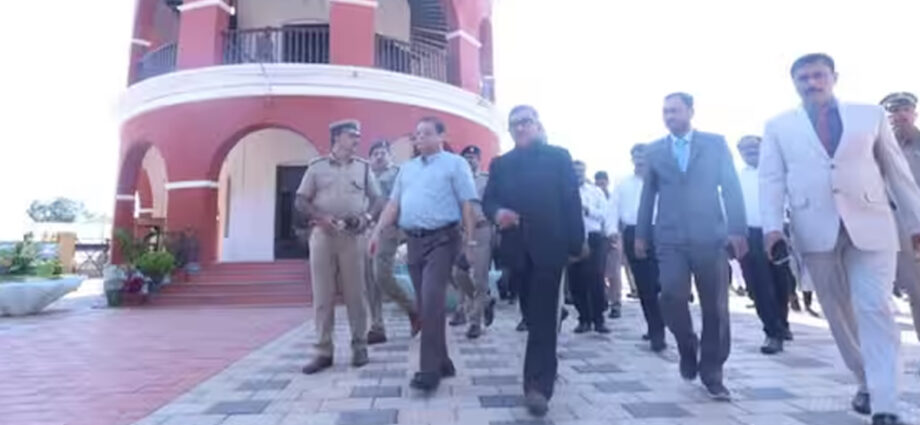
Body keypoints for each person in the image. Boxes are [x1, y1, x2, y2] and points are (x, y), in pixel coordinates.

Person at [760, 53, 920, 425]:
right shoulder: (778, 126)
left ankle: (885, 403)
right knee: (838, 312)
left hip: (872, 224)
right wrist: (772, 228)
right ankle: (865, 379)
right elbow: (771, 179)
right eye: (803, 78)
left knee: (874, 307)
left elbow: (897, 172)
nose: (812, 83)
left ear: (834, 77)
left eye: (818, 75)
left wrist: (916, 223)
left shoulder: (869, 116)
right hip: (814, 230)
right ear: (794, 83)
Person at [635, 92, 747, 401]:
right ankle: (687, 345)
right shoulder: (655, 150)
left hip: (710, 236)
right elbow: (648, 195)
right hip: (670, 238)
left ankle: (712, 371)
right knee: (670, 295)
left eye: (675, 110)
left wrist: (737, 230)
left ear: (690, 112)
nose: (669, 116)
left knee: (715, 307)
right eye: (665, 112)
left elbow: (731, 187)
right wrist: (641, 234)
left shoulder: (714, 144)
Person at [482, 105, 584, 417]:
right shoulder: (501, 164)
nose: (521, 128)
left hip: (550, 247)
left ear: (538, 125)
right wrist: (498, 213)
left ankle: (538, 386)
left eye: (526, 122)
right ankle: (543, 365)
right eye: (514, 124)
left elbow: (571, 201)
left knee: (543, 317)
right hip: (516, 252)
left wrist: (576, 242)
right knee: (530, 313)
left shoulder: (558, 157)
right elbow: (489, 201)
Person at [368, 117, 478, 392]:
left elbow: (467, 204)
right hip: (414, 241)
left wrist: (470, 242)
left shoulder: (455, 164)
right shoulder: (407, 169)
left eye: (427, 133)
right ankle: (443, 362)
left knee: (430, 302)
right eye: (417, 134)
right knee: (426, 303)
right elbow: (393, 204)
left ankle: (429, 370)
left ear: (441, 136)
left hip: (443, 240)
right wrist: (377, 231)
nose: (420, 138)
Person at [298, 119, 381, 375]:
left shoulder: (363, 168)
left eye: (358, 136)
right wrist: (320, 217)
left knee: (356, 294)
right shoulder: (317, 167)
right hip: (323, 236)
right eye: (351, 135)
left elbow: (378, 199)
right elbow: (301, 200)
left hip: (353, 237)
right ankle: (323, 351)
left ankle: (360, 347)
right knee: (323, 296)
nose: (357, 140)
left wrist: (366, 218)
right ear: (336, 138)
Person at [735, 135, 796, 355]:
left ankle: (782, 323)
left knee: (781, 282)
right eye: (744, 149)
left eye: (754, 147)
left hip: (776, 232)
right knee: (758, 286)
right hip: (749, 235)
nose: (750, 152)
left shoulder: (777, 172)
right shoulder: (737, 178)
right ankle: (772, 332)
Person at [364, 140, 420, 345]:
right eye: (375, 153)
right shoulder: (364, 174)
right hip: (364, 230)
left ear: (389, 155)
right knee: (369, 280)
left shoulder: (398, 173)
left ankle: (412, 309)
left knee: (381, 275)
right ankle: (376, 326)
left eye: (383, 153)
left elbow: (404, 200)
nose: (379, 156)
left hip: (387, 229)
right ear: (370, 158)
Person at [616, 143, 667, 351]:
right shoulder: (623, 184)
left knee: (661, 284)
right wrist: (611, 231)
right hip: (633, 233)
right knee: (645, 286)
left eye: (644, 156)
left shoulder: (662, 181)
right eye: (636, 156)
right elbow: (614, 208)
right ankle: (655, 330)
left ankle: (662, 321)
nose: (640, 159)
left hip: (660, 232)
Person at [882, 92, 920, 341]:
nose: (900, 115)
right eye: (894, 111)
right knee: (917, 293)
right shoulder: (879, 150)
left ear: (914, 113)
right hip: (901, 232)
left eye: (905, 109)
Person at [450, 145, 497, 339]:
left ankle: (475, 321)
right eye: (466, 157)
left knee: (479, 277)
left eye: (473, 157)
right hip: (461, 232)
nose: (470, 160)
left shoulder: (487, 180)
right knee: (458, 273)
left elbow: (494, 203)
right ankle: (485, 302)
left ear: (479, 160)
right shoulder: (456, 181)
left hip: (482, 230)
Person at [568, 161, 612, 334]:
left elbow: (605, 213)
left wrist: (588, 210)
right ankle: (583, 318)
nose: (578, 174)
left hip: (595, 237)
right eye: (574, 171)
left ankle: (599, 319)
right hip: (573, 238)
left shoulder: (595, 191)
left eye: (581, 171)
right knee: (576, 279)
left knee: (596, 277)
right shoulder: (564, 191)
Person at [596, 171, 625, 319]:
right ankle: (604, 299)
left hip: (613, 237)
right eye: (598, 183)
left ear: (607, 182)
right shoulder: (593, 196)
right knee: (599, 272)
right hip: (599, 238)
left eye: (603, 182)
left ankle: (616, 303)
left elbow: (620, 216)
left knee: (614, 273)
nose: (601, 186)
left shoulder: (614, 198)